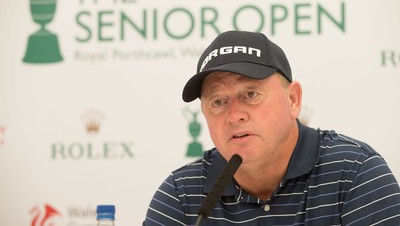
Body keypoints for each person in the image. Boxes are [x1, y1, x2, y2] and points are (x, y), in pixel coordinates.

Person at [143, 30, 400, 225]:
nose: (234, 116)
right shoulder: (182, 193)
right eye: (218, 101)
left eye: (251, 94)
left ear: (292, 100)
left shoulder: (355, 173)